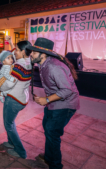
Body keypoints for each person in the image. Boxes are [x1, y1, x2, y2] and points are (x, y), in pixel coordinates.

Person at [28, 37, 80, 169]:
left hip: (65, 105)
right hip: (55, 103)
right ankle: (49, 157)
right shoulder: (44, 63)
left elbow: (66, 90)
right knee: (48, 128)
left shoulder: (53, 67)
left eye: (34, 52)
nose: (31, 54)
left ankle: (55, 165)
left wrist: (46, 99)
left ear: (43, 54)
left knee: (52, 132)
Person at [0, 40, 32, 159]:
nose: (14, 52)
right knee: (10, 122)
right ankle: (11, 142)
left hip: (13, 99)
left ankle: (20, 151)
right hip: (21, 98)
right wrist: (12, 44)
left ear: (23, 51)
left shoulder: (19, 66)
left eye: (17, 50)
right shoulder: (29, 61)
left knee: (9, 124)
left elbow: (8, 84)